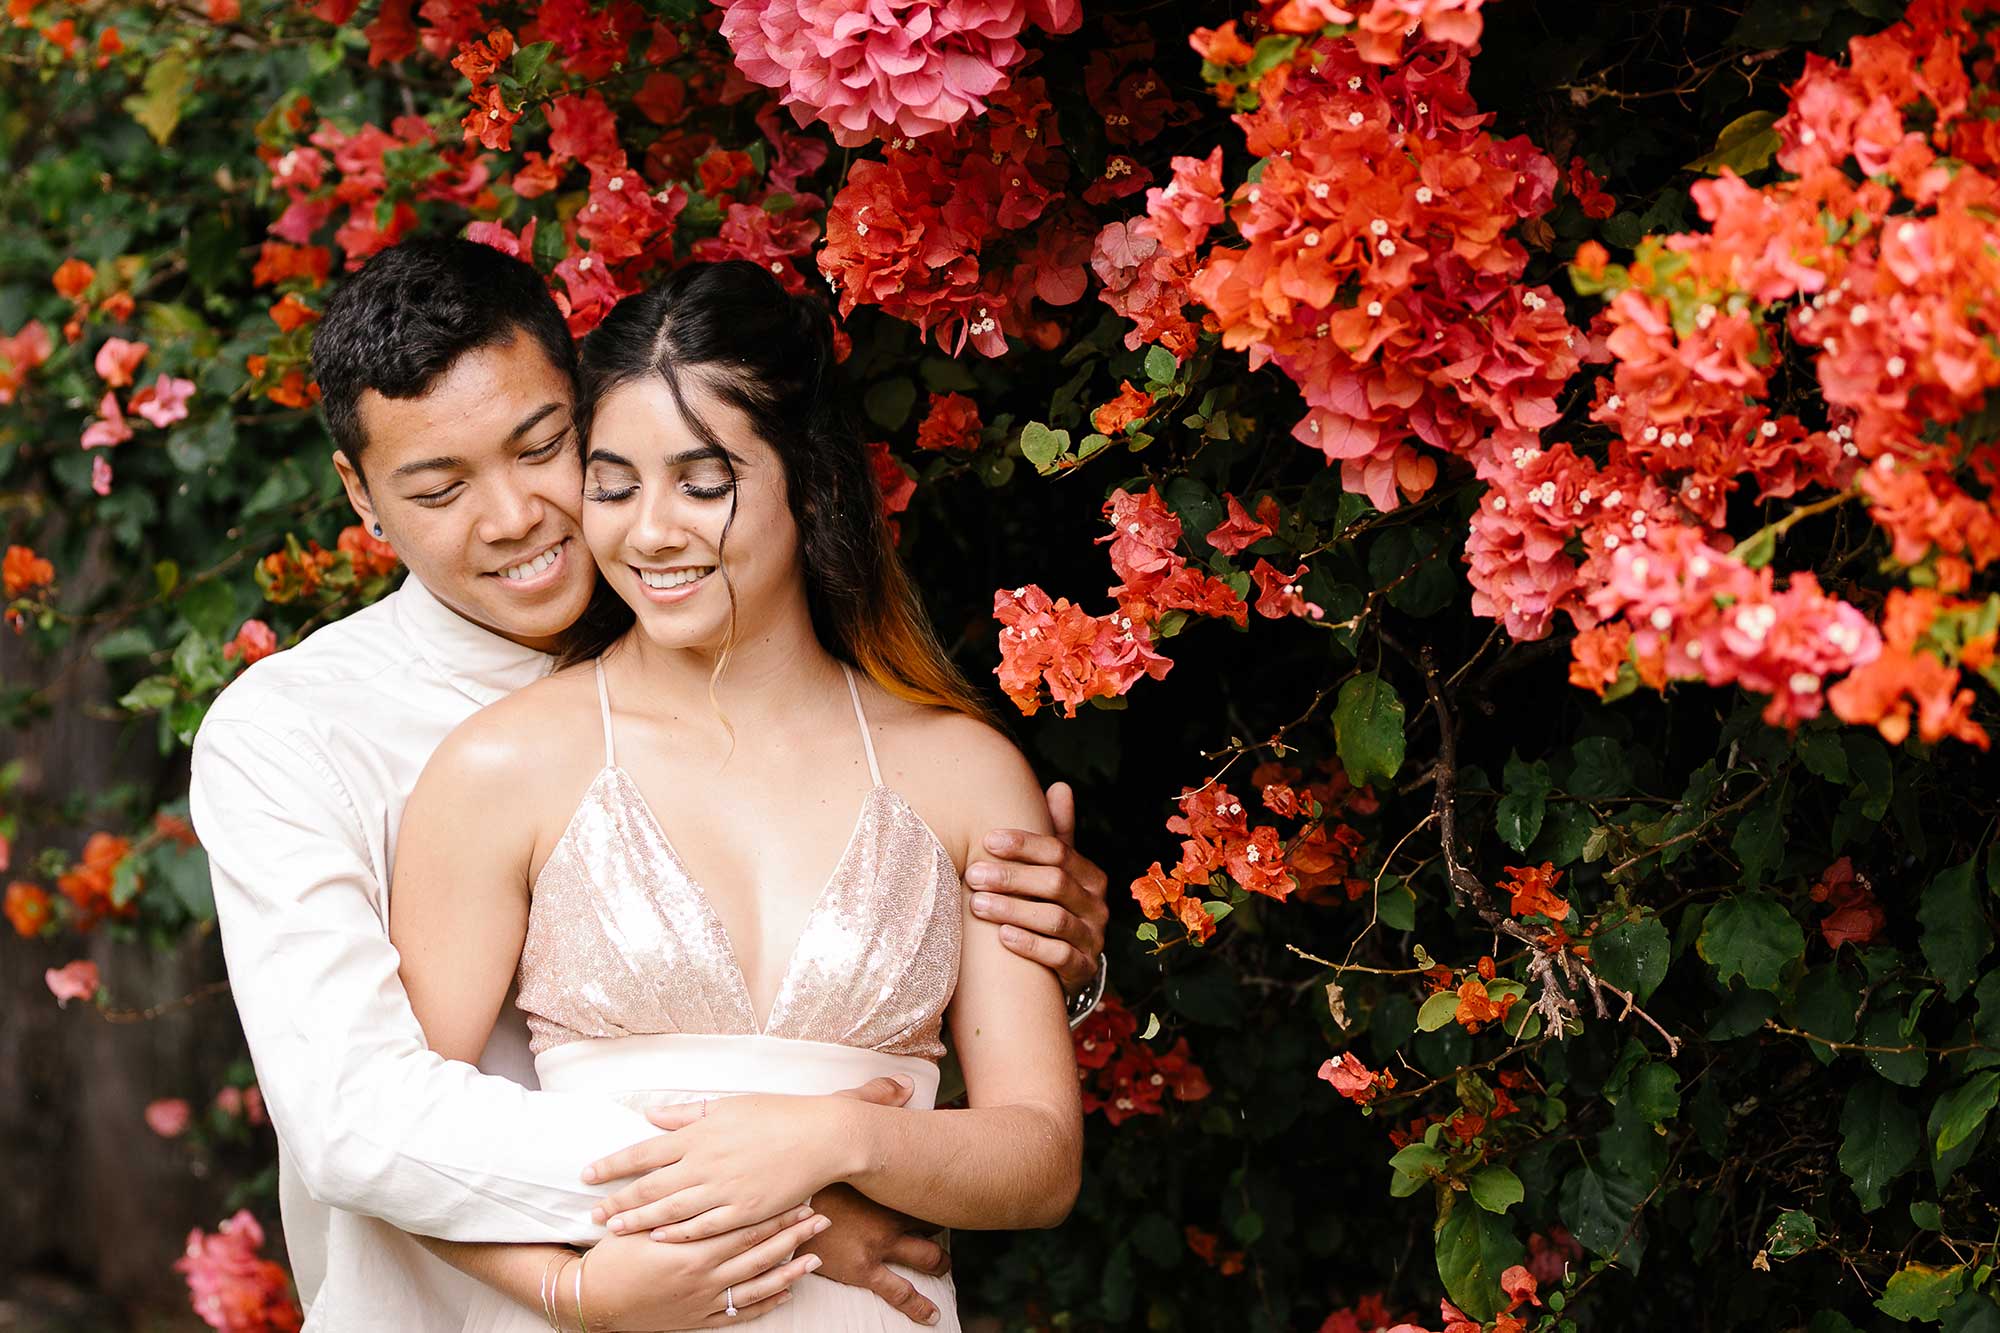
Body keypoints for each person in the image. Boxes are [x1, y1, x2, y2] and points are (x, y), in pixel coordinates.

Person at [187, 237, 1111, 1332]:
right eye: (439, 487)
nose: (517, 517)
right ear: (362, 494)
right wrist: (798, 1192)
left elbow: (1026, 1122)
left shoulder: (899, 734)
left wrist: (1062, 953)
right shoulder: (300, 732)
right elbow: (355, 1119)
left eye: (545, 451)